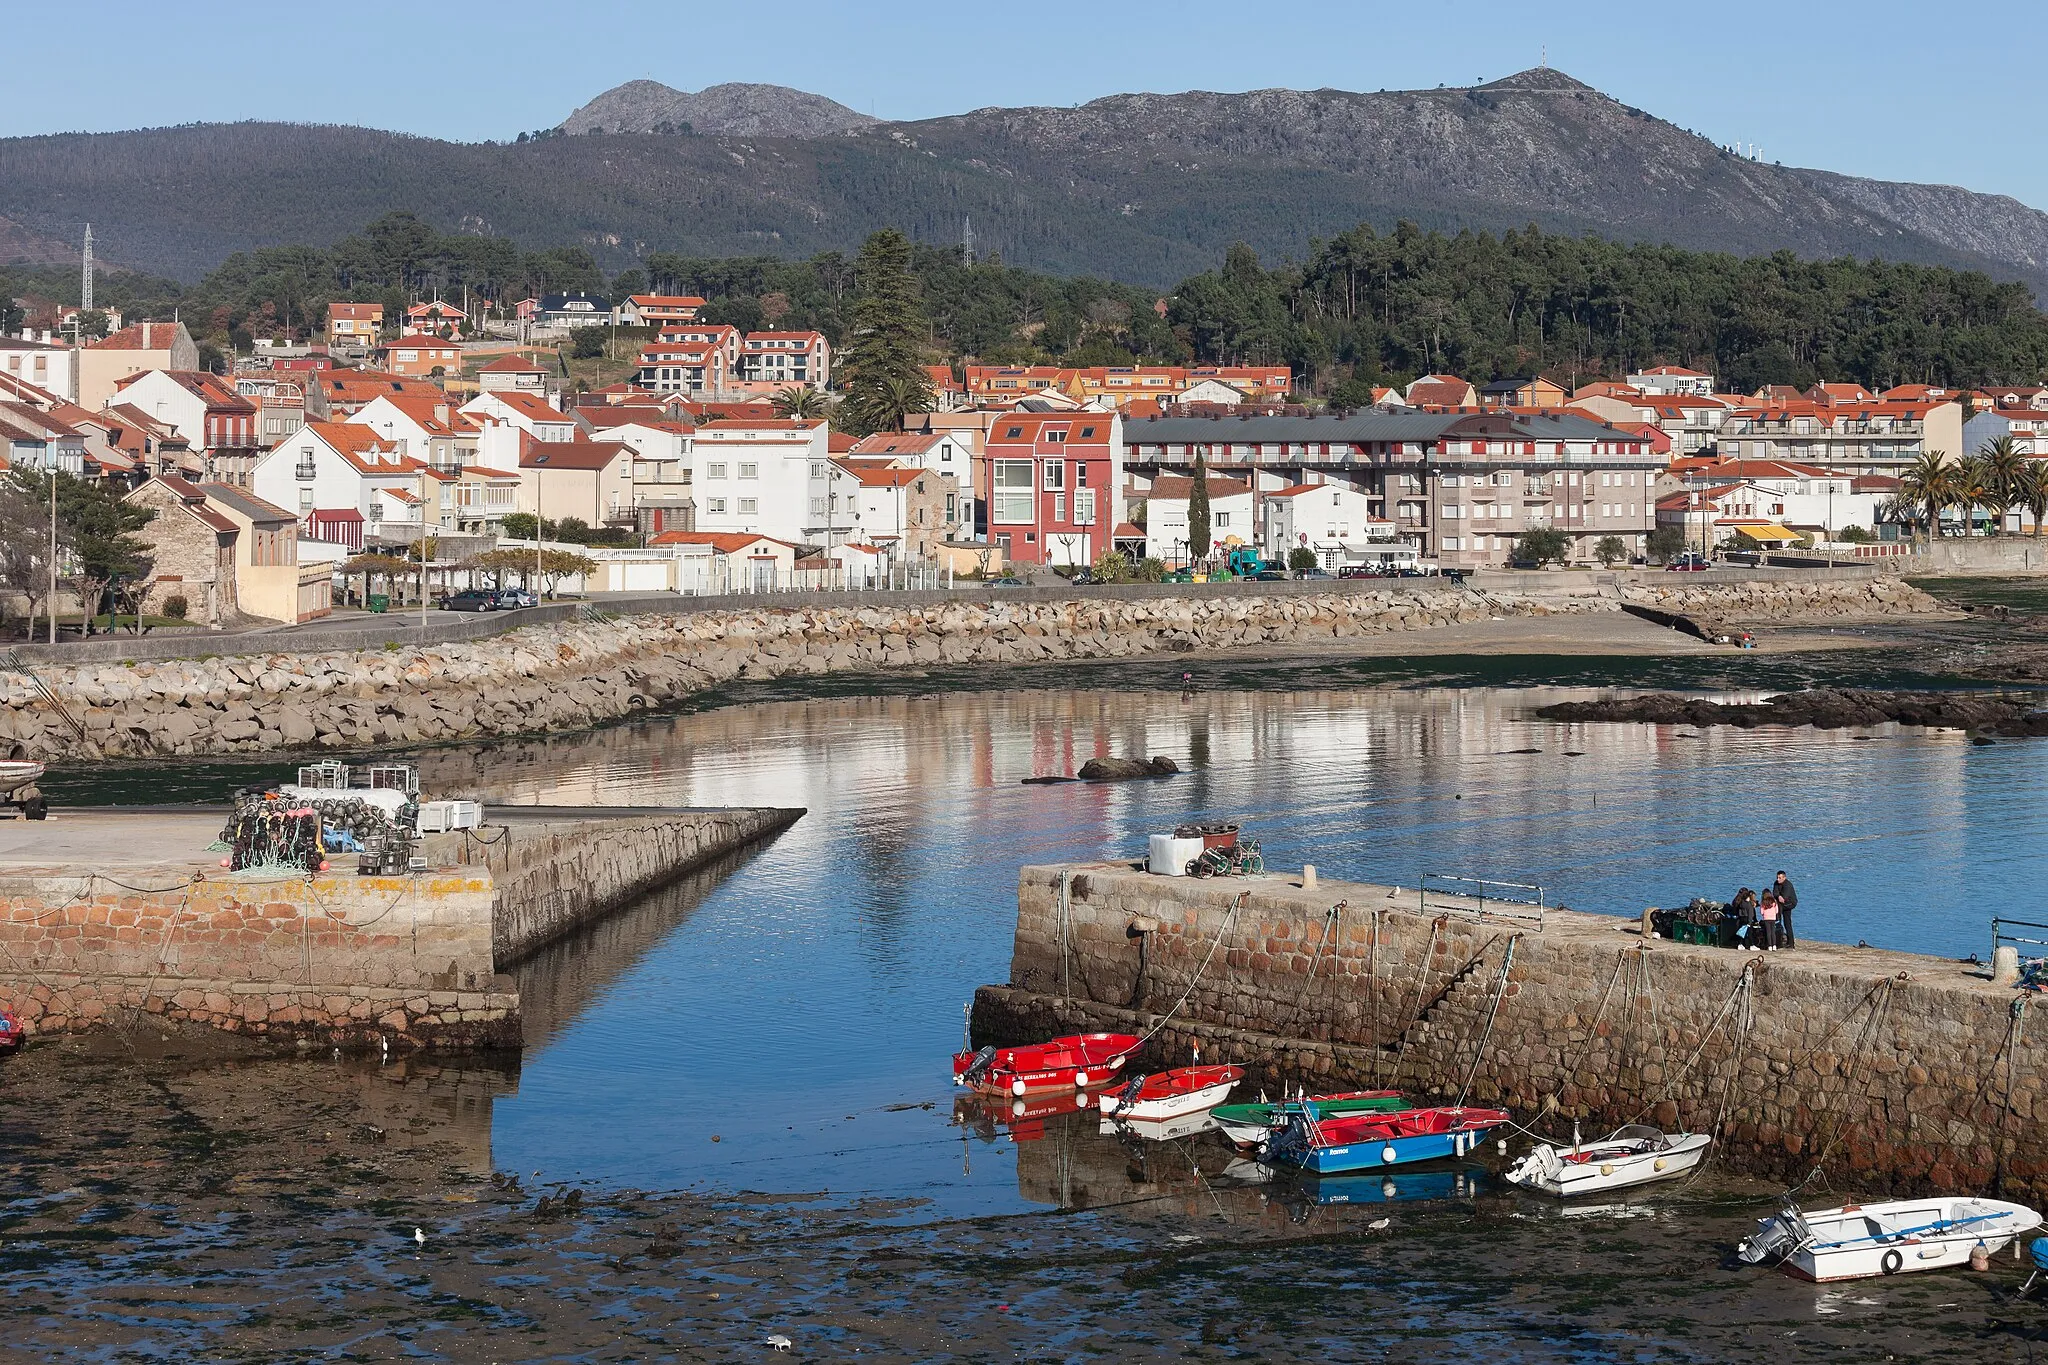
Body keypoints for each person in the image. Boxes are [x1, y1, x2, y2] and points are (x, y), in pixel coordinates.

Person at [1773, 872, 1798, 948]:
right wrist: (1778, 896)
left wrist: (1780, 897)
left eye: (1780, 878)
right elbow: (1774, 893)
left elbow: (1784, 898)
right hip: (1781, 904)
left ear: (1784, 878)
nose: (1778, 879)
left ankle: (1791, 943)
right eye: (1777, 877)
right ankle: (1779, 936)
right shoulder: (1776, 883)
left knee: (1787, 923)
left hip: (1790, 903)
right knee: (1778, 915)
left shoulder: (1788, 885)